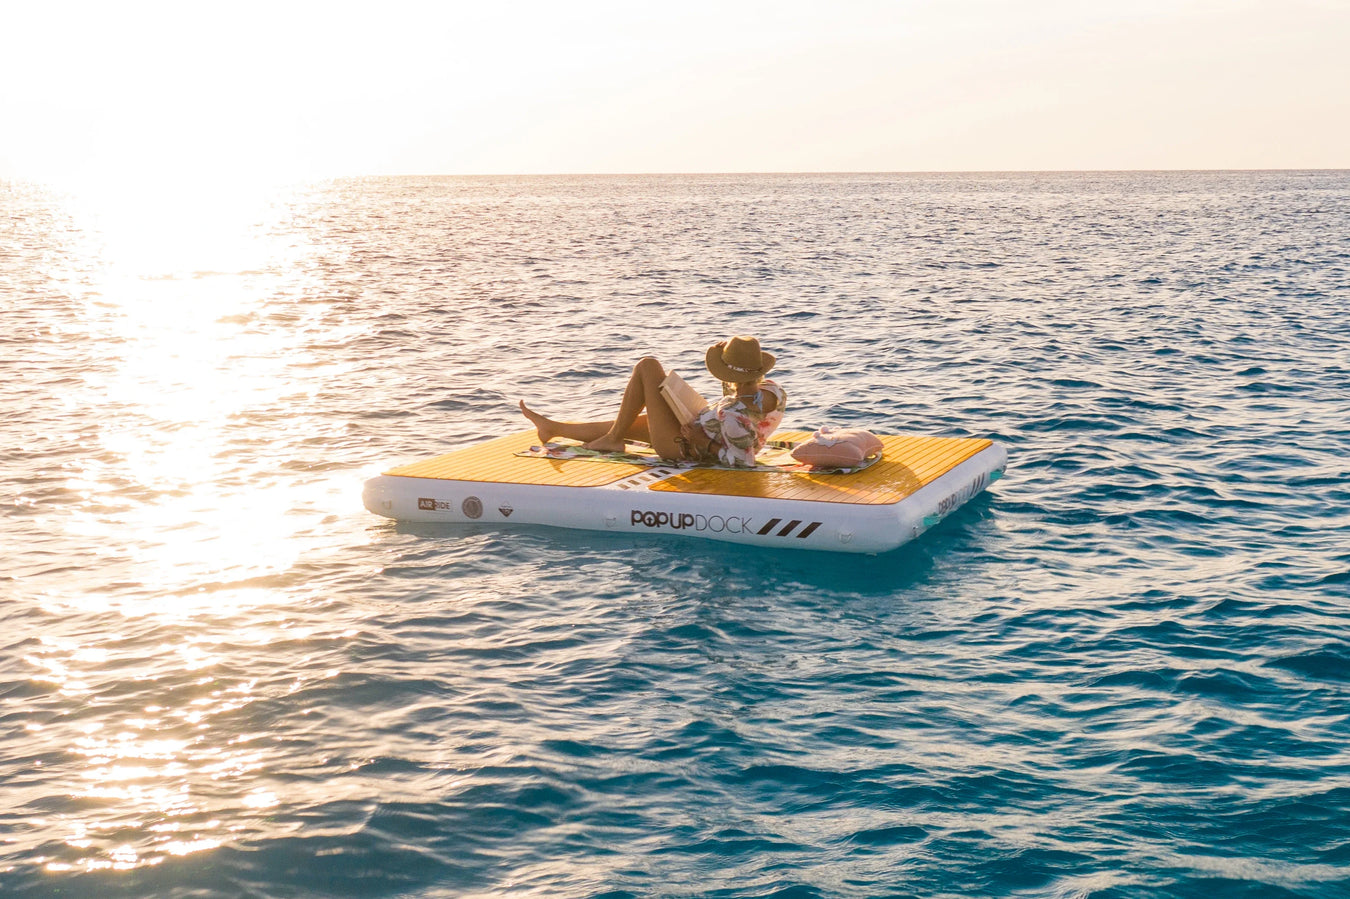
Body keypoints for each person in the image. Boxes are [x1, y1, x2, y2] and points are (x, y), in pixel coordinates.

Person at [519, 335, 786, 466]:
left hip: (684, 446)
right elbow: (748, 412)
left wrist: (700, 440)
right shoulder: (775, 392)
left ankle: (612, 439)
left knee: (648, 367)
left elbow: (742, 462)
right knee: (625, 424)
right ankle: (553, 429)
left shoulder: (732, 413)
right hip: (694, 429)